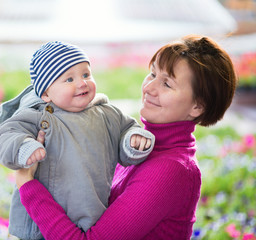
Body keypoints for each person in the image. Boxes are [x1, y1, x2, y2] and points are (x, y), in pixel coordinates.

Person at [14, 35, 237, 239]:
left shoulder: (171, 170)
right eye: (152, 73)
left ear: (197, 106)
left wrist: (28, 185)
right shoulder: (136, 144)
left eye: (166, 83)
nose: (149, 87)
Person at [0, 41, 155, 240]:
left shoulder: (107, 114)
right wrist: (24, 146)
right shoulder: (38, 117)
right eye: (69, 79)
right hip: (39, 225)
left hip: (92, 214)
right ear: (45, 94)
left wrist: (133, 141)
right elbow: (4, 137)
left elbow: (127, 131)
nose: (82, 83)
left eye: (86, 74)